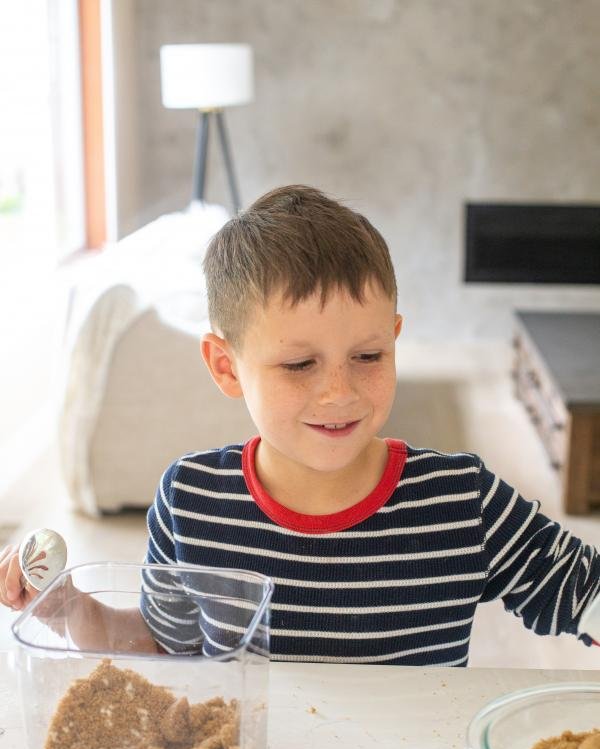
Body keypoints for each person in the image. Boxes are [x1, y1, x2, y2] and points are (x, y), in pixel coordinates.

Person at [1, 184, 599, 664]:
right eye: (298, 364)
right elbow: (162, 649)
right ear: (225, 367)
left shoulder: (460, 500)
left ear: (394, 340)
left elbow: (584, 595)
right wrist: (66, 609)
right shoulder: (191, 500)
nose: (339, 392)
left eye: (367, 357)